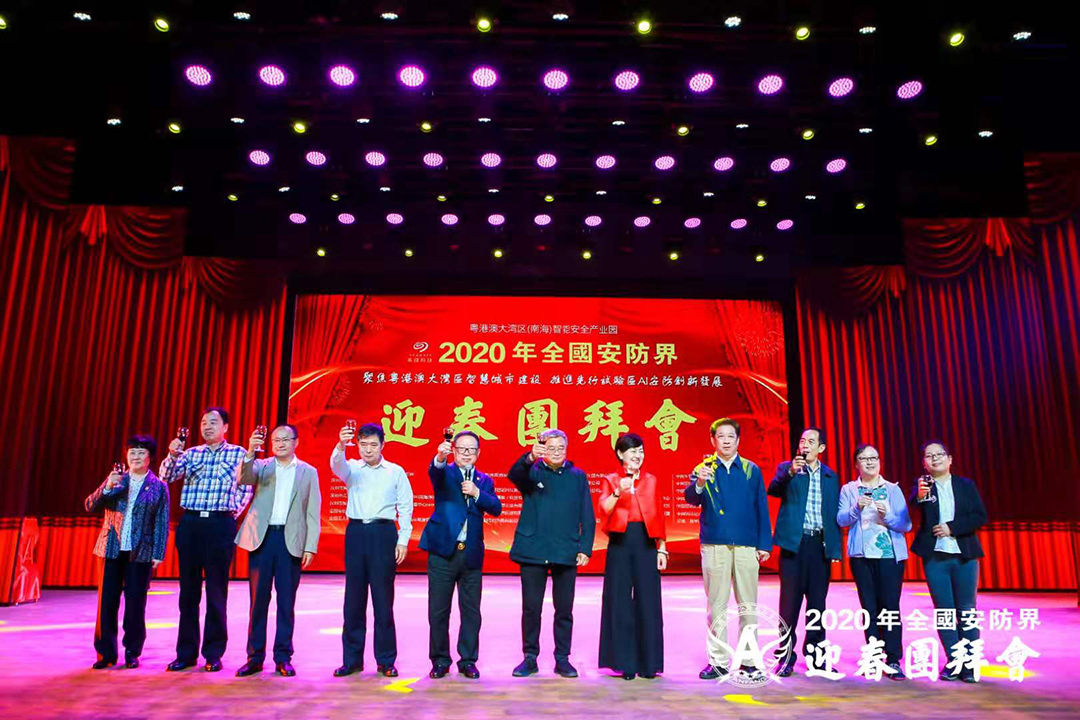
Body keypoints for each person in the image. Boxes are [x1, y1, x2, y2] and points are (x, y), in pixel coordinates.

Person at [160, 407, 252, 672]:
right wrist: (172, 454)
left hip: (219, 524)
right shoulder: (190, 453)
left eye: (213, 422)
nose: (207, 427)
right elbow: (166, 477)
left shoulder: (238, 453)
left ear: (226, 427)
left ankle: (213, 653)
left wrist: (230, 512)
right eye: (203, 423)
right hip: (191, 524)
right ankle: (185, 653)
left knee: (216, 592)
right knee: (188, 593)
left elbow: (246, 488)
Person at [685, 418, 772, 680]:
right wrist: (700, 482)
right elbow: (691, 498)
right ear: (712, 440)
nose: (725, 441)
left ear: (738, 440)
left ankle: (749, 661)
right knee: (717, 606)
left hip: (746, 546)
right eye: (720, 436)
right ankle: (718, 661)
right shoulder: (704, 468)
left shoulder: (750, 469)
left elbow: (761, 507)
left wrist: (764, 544)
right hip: (715, 545)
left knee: (748, 606)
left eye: (730, 436)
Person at [234, 424, 321, 678]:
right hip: (262, 539)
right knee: (258, 602)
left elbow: (312, 512)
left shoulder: (308, 472)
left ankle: (283, 657)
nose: (280, 444)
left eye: (285, 439)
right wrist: (250, 451)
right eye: (275, 440)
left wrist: (310, 545)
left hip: (290, 540)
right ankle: (254, 657)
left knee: (286, 602)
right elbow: (243, 478)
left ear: (296, 442)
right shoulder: (261, 466)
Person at [507, 429, 595, 678]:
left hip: (566, 550)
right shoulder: (532, 471)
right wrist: (529, 457)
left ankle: (562, 658)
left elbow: (587, 514)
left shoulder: (578, 476)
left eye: (560, 448)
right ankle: (530, 657)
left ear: (567, 449)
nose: (556, 452)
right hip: (533, 549)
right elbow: (514, 474)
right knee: (531, 608)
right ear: (543, 449)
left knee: (564, 609)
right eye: (551, 448)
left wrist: (585, 548)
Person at [331, 422, 413, 678]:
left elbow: (406, 507)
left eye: (373, 445)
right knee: (353, 600)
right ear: (357, 444)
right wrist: (341, 445)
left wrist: (403, 539)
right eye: (363, 444)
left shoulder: (395, 471)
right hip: (356, 532)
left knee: (383, 600)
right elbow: (336, 465)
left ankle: (386, 660)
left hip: (383, 533)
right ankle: (352, 660)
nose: (368, 450)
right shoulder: (352, 468)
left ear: (382, 445)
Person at [420, 430, 502, 680]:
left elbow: (496, 508)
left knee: (471, 612)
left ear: (478, 453)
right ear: (454, 451)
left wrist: (477, 493)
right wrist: (440, 457)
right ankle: (440, 660)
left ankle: (468, 660)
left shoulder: (484, 480)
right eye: (462, 449)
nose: (466, 453)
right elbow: (435, 472)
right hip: (443, 552)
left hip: (471, 554)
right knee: (438, 611)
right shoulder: (445, 472)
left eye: (471, 449)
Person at [85, 435, 169, 669]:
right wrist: (107, 487)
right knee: (106, 603)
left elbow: (161, 522)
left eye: (141, 452)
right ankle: (105, 653)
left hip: (140, 551)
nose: (136, 457)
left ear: (150, 457)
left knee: (135, 604)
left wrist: (158, 552)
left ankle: (132, 651)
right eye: (132, 452)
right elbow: (90, 505)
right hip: (110, 548)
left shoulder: (159, 486)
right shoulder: (116, 480)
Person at [910, 440, 988, 683]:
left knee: (967, 611)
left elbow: (979, 516)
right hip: (936, 558)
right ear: (924, 463)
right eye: (929, 456)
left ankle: (970, 665)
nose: (935, 458)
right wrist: (919, 496)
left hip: (965, 556)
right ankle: (954, 661)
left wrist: (951, 528)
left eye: (940, 454)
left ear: (950, 459)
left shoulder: (966, 485)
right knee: (944, 611)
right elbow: (912, 508)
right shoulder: (923, 487)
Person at [769, 426, 841, 677]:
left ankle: (817, 658)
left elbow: (833, 514)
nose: (805, 445)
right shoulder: (787, 469)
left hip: (819, 546)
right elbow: (773, 490)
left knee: (817, 605)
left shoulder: (830, 476)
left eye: (811, 441)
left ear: (821, 448)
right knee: (789, 605)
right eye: (802, 441)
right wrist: (790, 472)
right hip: (794, 545)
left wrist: (834, 547)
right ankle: (785, 657)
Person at [837, 443, 911, 679]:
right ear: (856, 464)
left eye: (874, 458)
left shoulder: (892, 489)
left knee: (890, 607)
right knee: (869, 608)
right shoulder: (849, 490)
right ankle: (873, 656)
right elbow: (841, 520)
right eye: (864, 458)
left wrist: (887, 516)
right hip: (862, 558)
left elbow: (906, 524)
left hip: (890, 556)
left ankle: (893, 659)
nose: (870, 462)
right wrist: (855, 508)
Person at [597, 433, 667, 680]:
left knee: (648, 601)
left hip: (646, 543)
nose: (638, 455)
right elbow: (603, 509)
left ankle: (649, 663)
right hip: (620, 543)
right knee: (620, 601)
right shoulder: (611, 480)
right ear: (620, 454)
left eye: (641, 451)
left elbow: (659, 515)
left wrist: (662, 548)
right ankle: (624, 662)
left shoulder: (651, 480)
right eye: (633, 451)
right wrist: (619, 491)